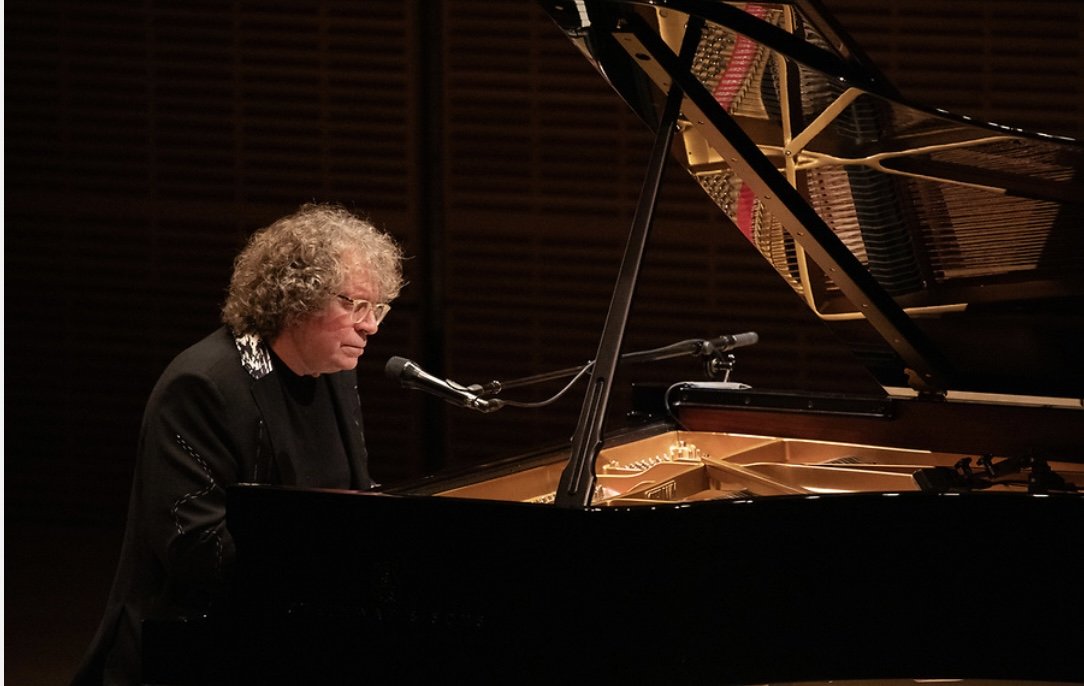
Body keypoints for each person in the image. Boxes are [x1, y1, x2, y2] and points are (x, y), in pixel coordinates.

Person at [71, 203, 405, 685]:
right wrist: (334, 558)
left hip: (301, 626)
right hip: (198, 643)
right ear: (297, 298)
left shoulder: (334, 374)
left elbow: (351, 499)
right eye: (354, 305)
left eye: (378, 309)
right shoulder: (204, 384)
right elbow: (196, 548)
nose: (370, 325)